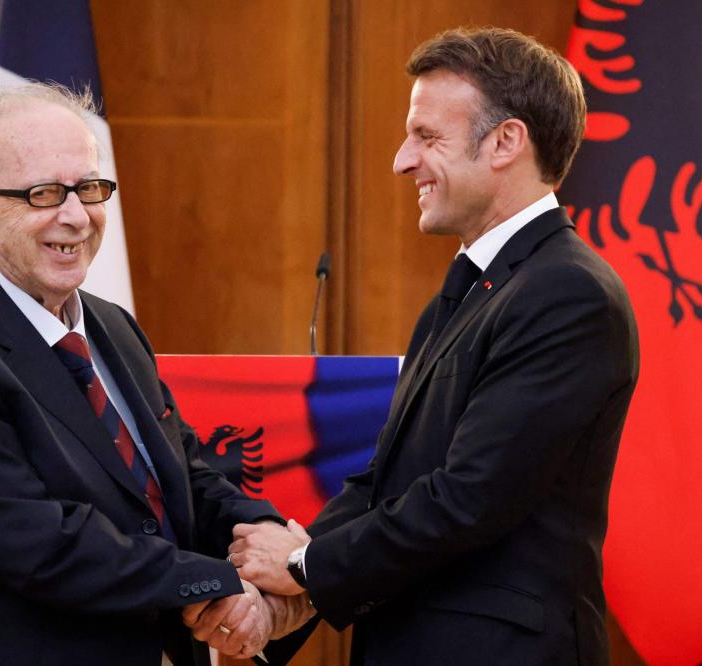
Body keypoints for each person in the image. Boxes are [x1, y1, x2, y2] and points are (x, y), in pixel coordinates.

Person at [228, 27, 640, 666]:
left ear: (505, 142)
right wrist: (287, 595)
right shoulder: (472, 290)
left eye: (427, 136)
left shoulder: (567, 292)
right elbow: (387, 483)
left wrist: (305, 567)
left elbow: (470, 497)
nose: (401, 160)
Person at [0, 81, 291, 665]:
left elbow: (183, 479)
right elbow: (46, 545)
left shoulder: (112, 327)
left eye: (88, 189)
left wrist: (272, 543)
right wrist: (219, 583)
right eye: (43, 194)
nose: (75, 217)